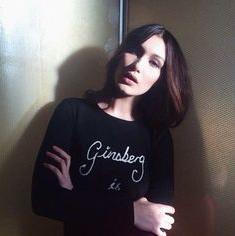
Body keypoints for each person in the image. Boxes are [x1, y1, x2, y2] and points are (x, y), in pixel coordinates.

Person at [31, 24, 191, 236]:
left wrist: (75, 196)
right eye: (135, 50)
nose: (137, 66)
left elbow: (156, 220)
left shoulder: (158, 136)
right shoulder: (72, 112)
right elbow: (44, 200)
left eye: (154, 62)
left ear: (161, 79)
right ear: (120, 54)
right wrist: (132, 212)